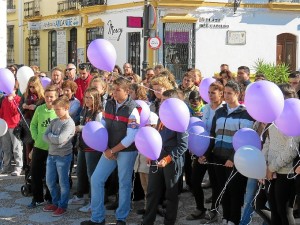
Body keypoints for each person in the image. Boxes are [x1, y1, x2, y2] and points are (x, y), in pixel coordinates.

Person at [81, 77, 140, 225]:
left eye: (117, 89)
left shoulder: (133, 109)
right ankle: (97, 218)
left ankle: (121, 218)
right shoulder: (109, 103)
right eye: (113, 89)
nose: (113, 92)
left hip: (126, 151)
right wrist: (106, 148)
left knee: (124, 183)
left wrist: (112, 150)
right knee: (96, 179)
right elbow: (103, 125)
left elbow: (131, 137)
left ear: (127, 91)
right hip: (109, 150)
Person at [202, 81, 254, 225]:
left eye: (229, 93)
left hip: (236, 160)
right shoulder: (219, 112)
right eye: (225, 93)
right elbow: (213, 134)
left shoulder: (246, 114)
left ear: (238, 94)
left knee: (234, 191)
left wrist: (233, 158)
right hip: (218, 157)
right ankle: (225, 217)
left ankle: (234, 219)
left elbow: (246, 139)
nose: (226, 95)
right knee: (222, 189)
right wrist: (205, 154)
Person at [141, 89, 188, 225]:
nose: (161, 103)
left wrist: (167, 159)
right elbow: (156, 137)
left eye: (165, 101)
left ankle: (169, 222)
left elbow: (182, 146)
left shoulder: (180, 118)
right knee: (152, 192)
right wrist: (151, 153)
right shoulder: (161, 116)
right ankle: (147, 221)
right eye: (161, 101)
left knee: (171, 194)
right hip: (157, 158)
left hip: (172, 161)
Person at [262, 83, 299, 225]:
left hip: (286, 172)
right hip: (270, 171)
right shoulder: (273, 117)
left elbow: (291, 149)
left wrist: (272, 167)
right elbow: (268, 143)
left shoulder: (295, 116)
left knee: (284, 211)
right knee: (275, 210)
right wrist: (264, 165)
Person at [188, 81, 225, 223]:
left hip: (216, 150)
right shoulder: (207, 108)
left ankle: (214, 211)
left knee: (216, 183)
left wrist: (206, 153)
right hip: (202, 148)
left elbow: (217, 133)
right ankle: (200, 208)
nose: (209, 95)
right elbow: (202, 127)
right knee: (195, 180)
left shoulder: (223, 109)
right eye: (208, 92)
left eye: (213, 93)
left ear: (220, 93)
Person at [68, 87, 103, 213]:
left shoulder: (98, 112)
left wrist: (81, 128)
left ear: (96, 99)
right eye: (86, 97)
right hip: (82, 144)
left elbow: (98, 128)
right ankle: (80, 195)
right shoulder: (85, 109)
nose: (87, 100)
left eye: (90, 98)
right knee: (81, 172)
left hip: (93, 147)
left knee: (91, 174)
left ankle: (93, 202)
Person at [42, 96, 75, 216]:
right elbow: (44, 136)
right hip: (51, 155)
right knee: (50, 181)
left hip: (63, 156)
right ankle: (55, 202)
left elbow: (61, 139)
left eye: (58, 109)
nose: (56, 112)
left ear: (66, 108)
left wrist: (51, 137)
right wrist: (53, 138)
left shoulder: (69, 123)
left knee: (63, 183)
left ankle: (62, 205)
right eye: (55, 109)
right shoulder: (54, 121)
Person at [27, 85, 58, 208]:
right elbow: (33, 125)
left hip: (53, 149)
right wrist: (36, 137)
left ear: (56, 97)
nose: (49, 99)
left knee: (51, 175)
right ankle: (37, 198)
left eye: (51, 97)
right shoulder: (39, 109)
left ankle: (50, 198)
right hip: (39, 147)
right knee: (36, 174)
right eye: (47, 96)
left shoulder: (58, 110)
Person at [20, 76, 45, 168]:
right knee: (27, 148)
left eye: (33, 87)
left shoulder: (42, 97)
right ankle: (28, 171)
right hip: (27, 125)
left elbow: (46, 111)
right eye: (30, 87)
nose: (31, 89)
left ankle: (37, 169)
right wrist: (23, 106)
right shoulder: (25, 95)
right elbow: (19, 110)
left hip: (38, 125)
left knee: (37, 148)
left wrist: (36, 108)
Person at [0, 82, 23, 176]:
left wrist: (11, 101)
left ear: (15, 89)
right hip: (5, 126)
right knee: (6, 148)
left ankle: (18, 167)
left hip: (14, 126)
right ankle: (7, 166)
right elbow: (2, 112)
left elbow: (16, 112)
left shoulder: (18, 99)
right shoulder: (4, 100)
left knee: (16, 148)